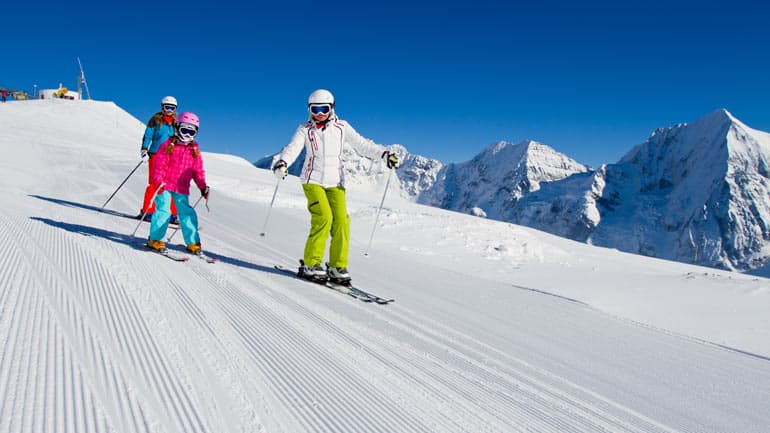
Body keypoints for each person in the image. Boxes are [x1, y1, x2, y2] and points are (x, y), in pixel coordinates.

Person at [272, 89, 400, 285]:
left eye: (324, 108)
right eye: (316, 109)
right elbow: (293, 148)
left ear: (332, 108)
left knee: (341, 222)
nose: (320, 114)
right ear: (310, 109)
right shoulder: (305, 129)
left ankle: (337, 266)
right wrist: (282, 163)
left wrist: (384, 155)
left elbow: (362, 145)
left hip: (336, 183)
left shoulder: (342, 127)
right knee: (323, 217)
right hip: (312, 181)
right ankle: (311, 263)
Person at [146, 112, 210, 255]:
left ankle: (193, 242)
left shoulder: (194, 150)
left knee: (187, 213)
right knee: (163, 211)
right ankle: (155, 239)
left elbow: (197, 171)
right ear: (177, 127)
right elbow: (159, 165)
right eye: (184, 130)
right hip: (164, 185)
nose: (187, 134)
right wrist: (158, 181)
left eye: (191, 131)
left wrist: (203, 186)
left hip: (181, 188)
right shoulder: (168, 144)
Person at [139, 96, 179, 222]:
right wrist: (144, 149)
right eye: (167, 107)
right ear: (162, 107)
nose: (169, 110)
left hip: (171, 158)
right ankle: (147, 211)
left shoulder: (176, 123)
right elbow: (148, 135)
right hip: (155, 155)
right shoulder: (155, 120)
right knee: (154, 184)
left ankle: (172, 214)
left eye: (172, 108)